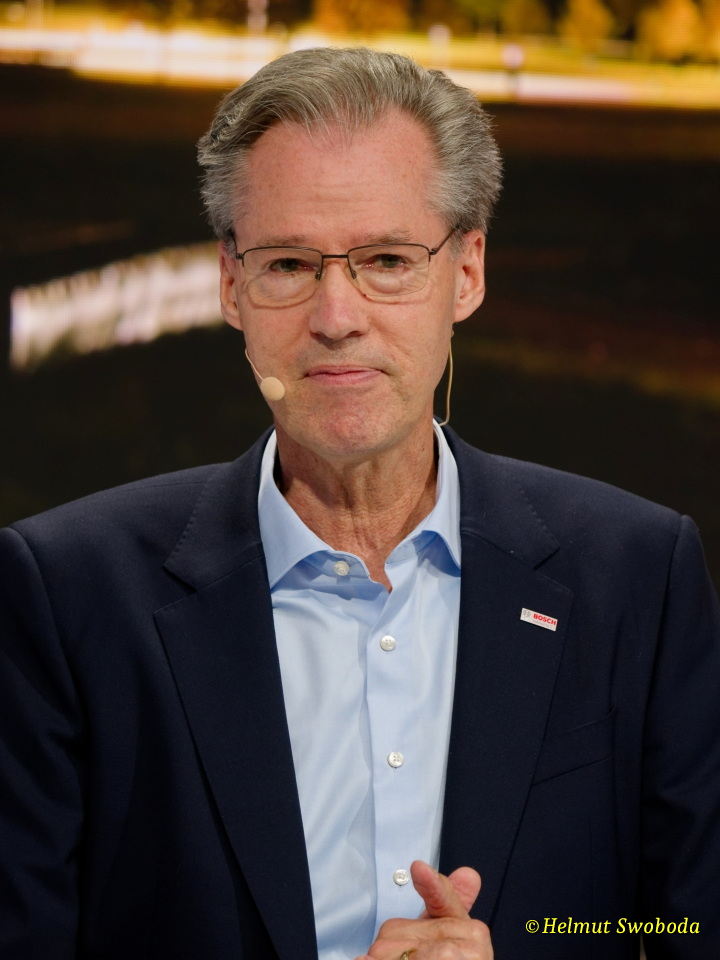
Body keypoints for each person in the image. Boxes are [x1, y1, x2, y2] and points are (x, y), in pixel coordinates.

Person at [1, 47, 718, 960]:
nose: (336, 316)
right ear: (231, 285)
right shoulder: (66, 596)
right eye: (288, 263)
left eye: (386, 260)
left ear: (467, 272)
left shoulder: (638, 577)